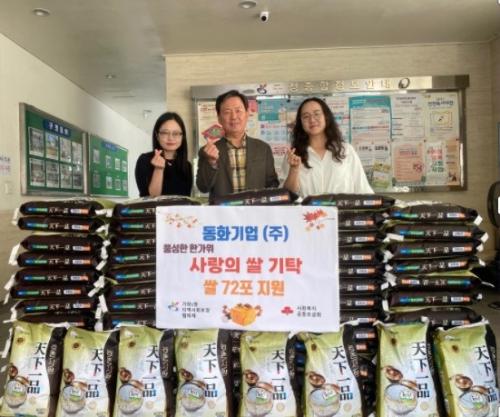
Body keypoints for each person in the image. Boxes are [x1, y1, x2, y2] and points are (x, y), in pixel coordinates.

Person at [282, 97, 373, 197]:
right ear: (301, 123)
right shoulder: (293, 154)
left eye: (317, 114)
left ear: (326, 117)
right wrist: (294, 170)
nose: (312, 119)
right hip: (308, 208)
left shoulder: (346, 150)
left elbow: (363, 189)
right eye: (306, 116)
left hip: (342, 207)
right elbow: (287, 196)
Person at [196, 90, 279, 199]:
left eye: (238, 110)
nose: (234, 117)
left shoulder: (263, 148)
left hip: (255, 209)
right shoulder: (207, 151)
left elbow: (272, 186)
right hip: (222, 210)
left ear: (247, 113)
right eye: (227, 112)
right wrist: (212, 163)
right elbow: (203, 187)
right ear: (219, 118)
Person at [135, 112, 192, 197]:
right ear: (157, 135)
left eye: (176, 133)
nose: (171, 138)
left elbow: (186, 198)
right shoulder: (145, 160)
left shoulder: (187, 165)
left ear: (182, 137)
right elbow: (151, 198)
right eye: (165, 133)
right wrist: (158, 169)